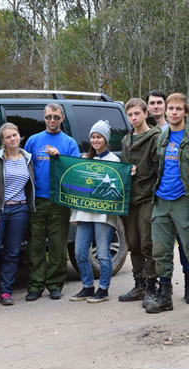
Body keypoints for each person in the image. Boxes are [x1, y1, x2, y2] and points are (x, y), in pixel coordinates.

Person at [146, 93, 189, 317]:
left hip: (185, 201)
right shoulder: (161, 138)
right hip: (162, 200)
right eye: (170, 108)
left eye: (178, 109)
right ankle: (164, 297)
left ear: (185, 112)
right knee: (161, 251)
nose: (173, 112)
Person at [24, 103, 80, 301]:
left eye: (56, 117)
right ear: (44, 118)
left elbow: (75, 171)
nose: (52, 121)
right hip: (37, 200)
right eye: (48, 117)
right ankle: (35, 285)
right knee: (35, 245)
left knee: (57, 244)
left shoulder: (69, 143)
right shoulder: (33, 140)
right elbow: (24, 167)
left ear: (62, 118)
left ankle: (55, 284)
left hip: (59, 200)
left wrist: (59, 157)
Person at [0, 123, 35, 306]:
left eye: (15, 135)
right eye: (9, 136)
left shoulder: (27, 158)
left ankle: (6, 291)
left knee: (12, 252)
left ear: (19, 136)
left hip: (20, 210)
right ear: (3, 140)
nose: (13, 139)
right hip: (0, 211)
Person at [69, 120, 120, 303]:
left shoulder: (114, 161)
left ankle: (103, 289)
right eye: (93, 137)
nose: (95, 140)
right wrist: (74, 213)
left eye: (99, 137)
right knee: (80, 252)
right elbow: (78, 188)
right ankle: (88, 286)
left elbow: (117, 189)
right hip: (84, 213)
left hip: (104, 215)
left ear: (106, 139)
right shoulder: (84, 159)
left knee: (103, 253)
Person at [118, 98, 161, 304]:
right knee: (132, 242)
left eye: (137, 114)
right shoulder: (126, 140)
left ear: (145, 113)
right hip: (130, 198)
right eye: (130, 115)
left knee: (147, 242)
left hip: (148, 197)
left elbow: (159, 169)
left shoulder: (155, 137)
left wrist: (140, 173)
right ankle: (139, 284)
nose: (134, 118)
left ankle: (153, 286)